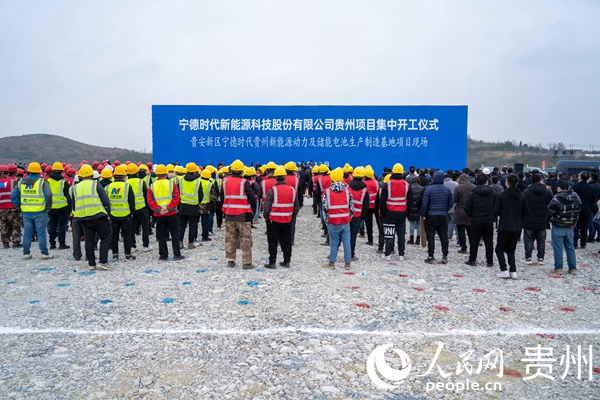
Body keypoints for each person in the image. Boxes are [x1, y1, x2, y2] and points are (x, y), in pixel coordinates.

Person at [71, 164, 112, 270]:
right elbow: (105, 200)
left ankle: (91, 263)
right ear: (91, 174)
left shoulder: (75, 187)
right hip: (98, 215)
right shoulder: (95, 184)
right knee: (105, 238)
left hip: (84, 218)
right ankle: (103, 262)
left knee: (89, 240)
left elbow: (73, 204)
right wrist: (108, 213)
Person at [10, 162, 54, 260]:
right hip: (40, 211)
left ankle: (26, 253)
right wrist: (48, 207)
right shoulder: (42, 182)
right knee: (41, 233)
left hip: (26, 212)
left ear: (28, 171)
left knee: (27, 233)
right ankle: (44, 253)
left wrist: (19, 206)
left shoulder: (21, 182)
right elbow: (49, 194)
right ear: (39, 172)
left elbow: (13, 196)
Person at [222, 159, 257, 269]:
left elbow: (222, 197)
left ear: (231, 170)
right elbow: (252, 198)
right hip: (243, 215)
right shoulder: (244, 182)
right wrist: (252, 211)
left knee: (230, 238)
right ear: (242, 171)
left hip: (229, 214)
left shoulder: (225, 181)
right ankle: (246, 263)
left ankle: (230, 260)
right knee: (245, 239)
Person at [263, 166, 299, 269]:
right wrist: (291, 216)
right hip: (287, 220)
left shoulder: (272, 190)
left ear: (276, 178)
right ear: (285, 177)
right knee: (287, 242)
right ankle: (287, 261)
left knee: (273, 242)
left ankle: (272, 262)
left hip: (274, 221)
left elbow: (267, 207)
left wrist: (267, 218)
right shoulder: (292, 190)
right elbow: (296, 206)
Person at [494, 173, 529, 279]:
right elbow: (526, 211)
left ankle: (504, 269)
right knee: (511, 249)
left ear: (507, 182)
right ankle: (513, 271)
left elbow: (496, 210)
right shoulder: (521, 196)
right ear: (517, 183)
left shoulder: (502, 195)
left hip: (504, 225)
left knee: (499, 249)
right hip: (517, 226)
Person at [148, 164, 185, 261]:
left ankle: (163, 255)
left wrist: (159, 210)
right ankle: (177, 254)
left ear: (156, 174)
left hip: (159, 215)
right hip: (171, 213)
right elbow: (176, 198)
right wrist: (169, 209)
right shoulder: (171, 184)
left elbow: (150, 200)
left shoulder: (152, 186)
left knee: (161, 235)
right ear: (166, 173)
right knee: (175, 234)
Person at [379, 163, 413, 261]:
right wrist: (407, 213)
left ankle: (388, 254)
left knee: (389, 234)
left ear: (392, 172)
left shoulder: (387, 185)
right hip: (402, 213)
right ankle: (401, 254)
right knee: (401, 235)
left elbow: (382, 201)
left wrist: (383, 213)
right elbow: (410, 201)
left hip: (389, 213)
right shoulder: (407, 185)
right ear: (402, 173)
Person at [548, 180, 582, 275]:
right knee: (570, 246)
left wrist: (551, 219)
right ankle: (573, 268)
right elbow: (579, 207)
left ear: (559, 188)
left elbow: (550, 211)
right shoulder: (576, 197)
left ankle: (558, 268)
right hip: (570, 224)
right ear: (568, 187)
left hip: (558, 224)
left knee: (558, 247)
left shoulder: (556, 198)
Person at [323, 168, 354, 270]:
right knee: (346, 242)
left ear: (331, 178)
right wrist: (349, 218)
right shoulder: (347, 192)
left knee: (334, 243)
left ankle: (331, 263)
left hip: (333, 221)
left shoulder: (327, 192)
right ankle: (347, 264)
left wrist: (327, 221)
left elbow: (324, 209)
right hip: (345, 221)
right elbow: (352, 207)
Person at [464, 173, 497, 267]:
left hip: (476, 220)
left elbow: (467, 207)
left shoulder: (473, 193)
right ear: (487, 181)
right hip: (488, 220)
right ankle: (490, 261)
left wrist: (472, 215)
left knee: (474, 241)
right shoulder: (493, 193)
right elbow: (496, 206)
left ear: (477, 182)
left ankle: (472, 260)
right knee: (489, 241)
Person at [420, 170, 453, 264]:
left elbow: (425, 204)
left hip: (430, 215)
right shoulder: (447, 190)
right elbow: (451, 203)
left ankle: (431, 255)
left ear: (433, 178)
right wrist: (445, 210)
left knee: (430, 236)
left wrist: (424, 214)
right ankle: (444, 255)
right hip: (443, 215)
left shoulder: (429, 189)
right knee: (444, 236)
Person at [106, 165, 136, 261]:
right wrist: (132, 213)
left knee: (114, 236)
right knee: (126, 236)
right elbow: (131, 201)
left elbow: (105, 202)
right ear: (124, 176)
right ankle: (128, 255)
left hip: (113, 215)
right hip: (125, 214)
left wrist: (108, 214)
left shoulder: (108, 187)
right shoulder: (127, 186)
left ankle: (115, 255)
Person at [522, 173, 553, 264]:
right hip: (542, 218)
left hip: (528, 218)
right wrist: (549, 218)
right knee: (541, 240)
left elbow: (523, 206)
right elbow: (550, 206)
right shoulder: (547, 192)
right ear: (541, 180)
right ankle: (540, 258)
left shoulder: (526, 192)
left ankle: (528, 257)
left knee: (528, 239)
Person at [46, 162, 72, 250]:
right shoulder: (63, 182)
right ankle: (62, 244)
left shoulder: (48, 182)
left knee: (52, 226)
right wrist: (70, 208)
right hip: (62, 208)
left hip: (51, 208)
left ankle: (52, 244)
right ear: (62, 171)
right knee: (62, 226)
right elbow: (67, 196)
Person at [128, 163, 152, 252]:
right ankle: (145, 245)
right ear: (137, 172)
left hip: (131, 209)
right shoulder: (141, 182)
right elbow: (146, 194)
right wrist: (147, 206)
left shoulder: (126, 183)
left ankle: (132, 246)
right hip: (142, 207)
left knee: (132, 227)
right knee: (145, 227)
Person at [178, 162, 203, 249]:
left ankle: (180, 242)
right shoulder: (198, 182)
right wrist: (197, 202)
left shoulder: (181, 181)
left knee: (182, 225)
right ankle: (190, 243)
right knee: (192, 226)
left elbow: (177, 193)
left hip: (183, 206)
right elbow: (201, 195)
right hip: (193, 206)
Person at [347, 166, 369, 261]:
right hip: (357, 215)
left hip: (347, 214)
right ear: (362, 177)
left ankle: (334, 253)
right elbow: (366, 205)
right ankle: (351, 254)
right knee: (353, 236)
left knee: (342, 234)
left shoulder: (348, 187)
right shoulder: (364, 189)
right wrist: (362, 217)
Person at [571, 171, 595, 249]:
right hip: (586, 208)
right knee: (584, 226)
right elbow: (593, 199)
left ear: (580, 177)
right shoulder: (591, 188)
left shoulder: (575, 187)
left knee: (576, 226)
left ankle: (575, 243)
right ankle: (583, 243)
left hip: (577, 208)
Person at [0, 164, 22, 248]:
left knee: (3, 225)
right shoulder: (14, 181)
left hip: (1, 208)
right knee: (15, 225)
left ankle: (5, 242)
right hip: (12, 207)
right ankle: (16, 242)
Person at [453, 174, 475, 254]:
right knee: (471, 231)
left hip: (460, 211)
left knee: (461, 231)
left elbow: (455, 200)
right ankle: (473, 247)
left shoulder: (458, 188)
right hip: (471, 211)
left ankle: (463, 247)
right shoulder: (474, 187)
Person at [200, 167, 218, 241]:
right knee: (205, 221)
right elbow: (214, 196)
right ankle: (205, 236)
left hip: (197, 204)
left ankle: (194, 236)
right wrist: (212, 202)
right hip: (206, 205)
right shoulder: (210, 184)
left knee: (194, 222)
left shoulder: (198, 182)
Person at [363, 166, 379, 246]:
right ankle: (382, 239)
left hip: (368, 206)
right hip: (376, 205)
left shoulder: (364, 183)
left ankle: (370, 240)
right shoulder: (376, 182)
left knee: (369, 224)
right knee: (379, 223)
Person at [406, 176, 424, 245]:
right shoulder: (422, 188)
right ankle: (418, 240)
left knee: (411, 224)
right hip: (419, 208)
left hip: (411, 208)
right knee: (419, 224)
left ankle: (411, 239)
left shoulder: (410, 188)